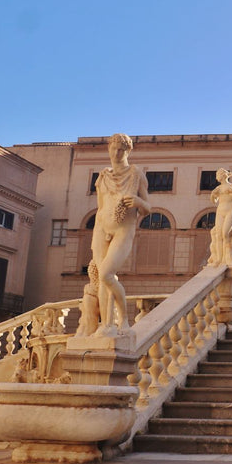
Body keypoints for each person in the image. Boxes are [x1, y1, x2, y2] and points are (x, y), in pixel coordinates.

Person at [90, 133, 149, 334]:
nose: (116, 153)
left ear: (128, 151)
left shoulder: (136, 174)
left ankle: (123, 319)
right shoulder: (102, 176)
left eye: (121, 149)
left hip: (124, 230)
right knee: (101, 281)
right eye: (113, 148)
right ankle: (106, 325)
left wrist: (140, 202)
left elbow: (147, 207)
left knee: (107, 275)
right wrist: (100, 226)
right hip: (101, 228)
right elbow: (100, 206)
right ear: (108, 149)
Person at [207, 167, 232, 268]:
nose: (217, 177)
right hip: (220, 210)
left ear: (222, 175)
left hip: (230, 210)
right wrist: (212, 195)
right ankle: (219, 260)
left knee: (225, 234)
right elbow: (214, 201)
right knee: (219, 235)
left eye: (218, 175)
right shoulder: (218, 188)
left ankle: (228, 258)